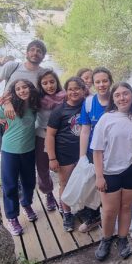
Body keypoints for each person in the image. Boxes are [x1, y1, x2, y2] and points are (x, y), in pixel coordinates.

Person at [91, 82, 132, 261]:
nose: (122, 98)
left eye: (125, 93)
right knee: (109, 211)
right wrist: (99, 176)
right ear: (113, 99)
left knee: (126, 207)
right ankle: (106, 239)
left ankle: (123, 239)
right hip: (110, 171)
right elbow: (97, 150)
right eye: (117, 95)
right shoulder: (106, 119)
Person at [0, 79, 40, 236]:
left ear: (30, 88)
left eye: (25, 87)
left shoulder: (34, 106)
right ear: (14, 92)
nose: (22, 91)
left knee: (29, 182)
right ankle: (12, 217)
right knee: (10, 185)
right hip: (10, 152)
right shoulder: (8, 108)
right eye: (18, 89)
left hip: (29, 151)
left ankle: (26, 204)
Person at [45, 77, 86, 231]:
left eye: (77, 89)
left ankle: (84, 209)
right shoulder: (59, 111)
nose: (74, 92)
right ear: (66, 91)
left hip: (83, 154)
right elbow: (50, 135)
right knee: (65, 184)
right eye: (70, 89)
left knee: (84, 183)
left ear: (83, 90)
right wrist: (52, 158)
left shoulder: (88, 106)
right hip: (64, 154)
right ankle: (67, 213)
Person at [78, 67, 114, 232]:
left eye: (104, 81)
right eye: (97, 82)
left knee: (111, 185)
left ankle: (110, 219)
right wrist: (82, 156)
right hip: (94, 151)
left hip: (114, 152)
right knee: (93, 184)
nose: (101, 85)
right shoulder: (89, 103)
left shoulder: (118, 99)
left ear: (110, 81)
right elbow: (85, 130)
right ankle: (94, 217)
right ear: (93, 84)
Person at [0, 39, 47, 119]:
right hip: (6, 115)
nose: (35, 53)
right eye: (32, 50)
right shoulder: (12, 66)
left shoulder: (44, 74)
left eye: (39, 51)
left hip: (30, 117)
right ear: (27, 53)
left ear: (43, 56)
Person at [36, 70, 66, 211]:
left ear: (57, 82)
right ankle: (48, 193)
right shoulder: (36, 99)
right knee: (43, 168)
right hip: (42, 137)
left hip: (61, 138)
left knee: (64, 168)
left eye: (52, 82)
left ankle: (64, 196)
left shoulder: (65, 96)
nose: (49, 86)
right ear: (40, 85)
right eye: (45, 83)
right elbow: (19, 102)